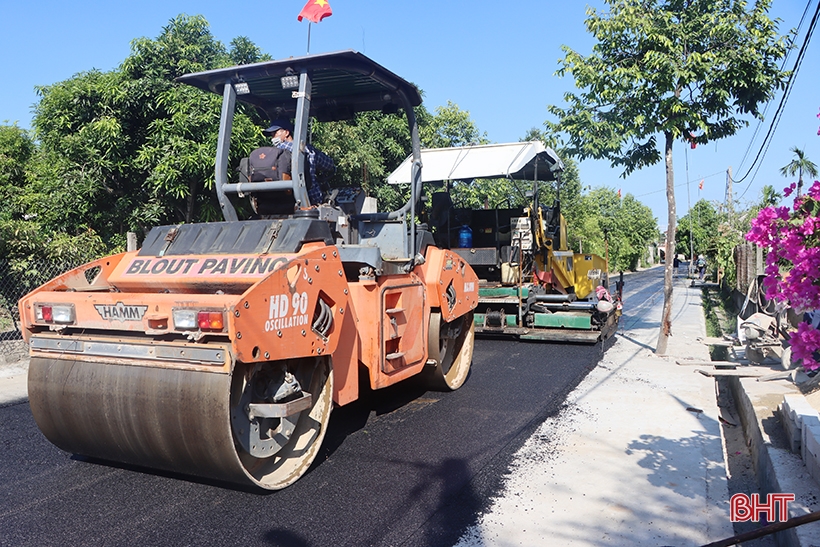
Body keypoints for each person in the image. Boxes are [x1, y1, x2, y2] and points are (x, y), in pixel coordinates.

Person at [263, 119, 335, 205]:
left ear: (286, 133)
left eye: (275, 133)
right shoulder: (307, 150)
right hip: (310, 200)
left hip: (282, 202)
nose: (273, 137)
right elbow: (328, 164)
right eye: (272, 134)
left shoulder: (272, 153)